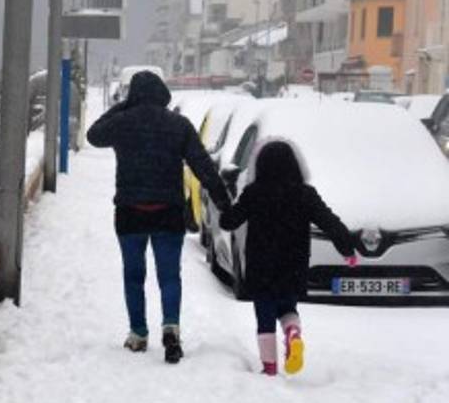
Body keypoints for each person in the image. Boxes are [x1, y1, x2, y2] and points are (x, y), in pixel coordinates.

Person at [87, 71, 231, 363]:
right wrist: (223, 202)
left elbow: (93, 135)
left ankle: (138, 334)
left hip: (130, 212)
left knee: (133, 275)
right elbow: (203, 166)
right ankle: (171, 329)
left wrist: (124, 106)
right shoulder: (178, 125)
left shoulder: (123, 122)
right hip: (168, 213)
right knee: (169, 275)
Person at [219, 140, 358, 376]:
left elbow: (229, 221)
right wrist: (347, 248)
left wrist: (225, 204)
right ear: (294, 165)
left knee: (265, 317)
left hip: (262, 265)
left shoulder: (254, 193)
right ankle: (292, 332)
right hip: (293, 263)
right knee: (287, 307)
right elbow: (329, 222)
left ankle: (270, 368)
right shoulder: (305, 194)